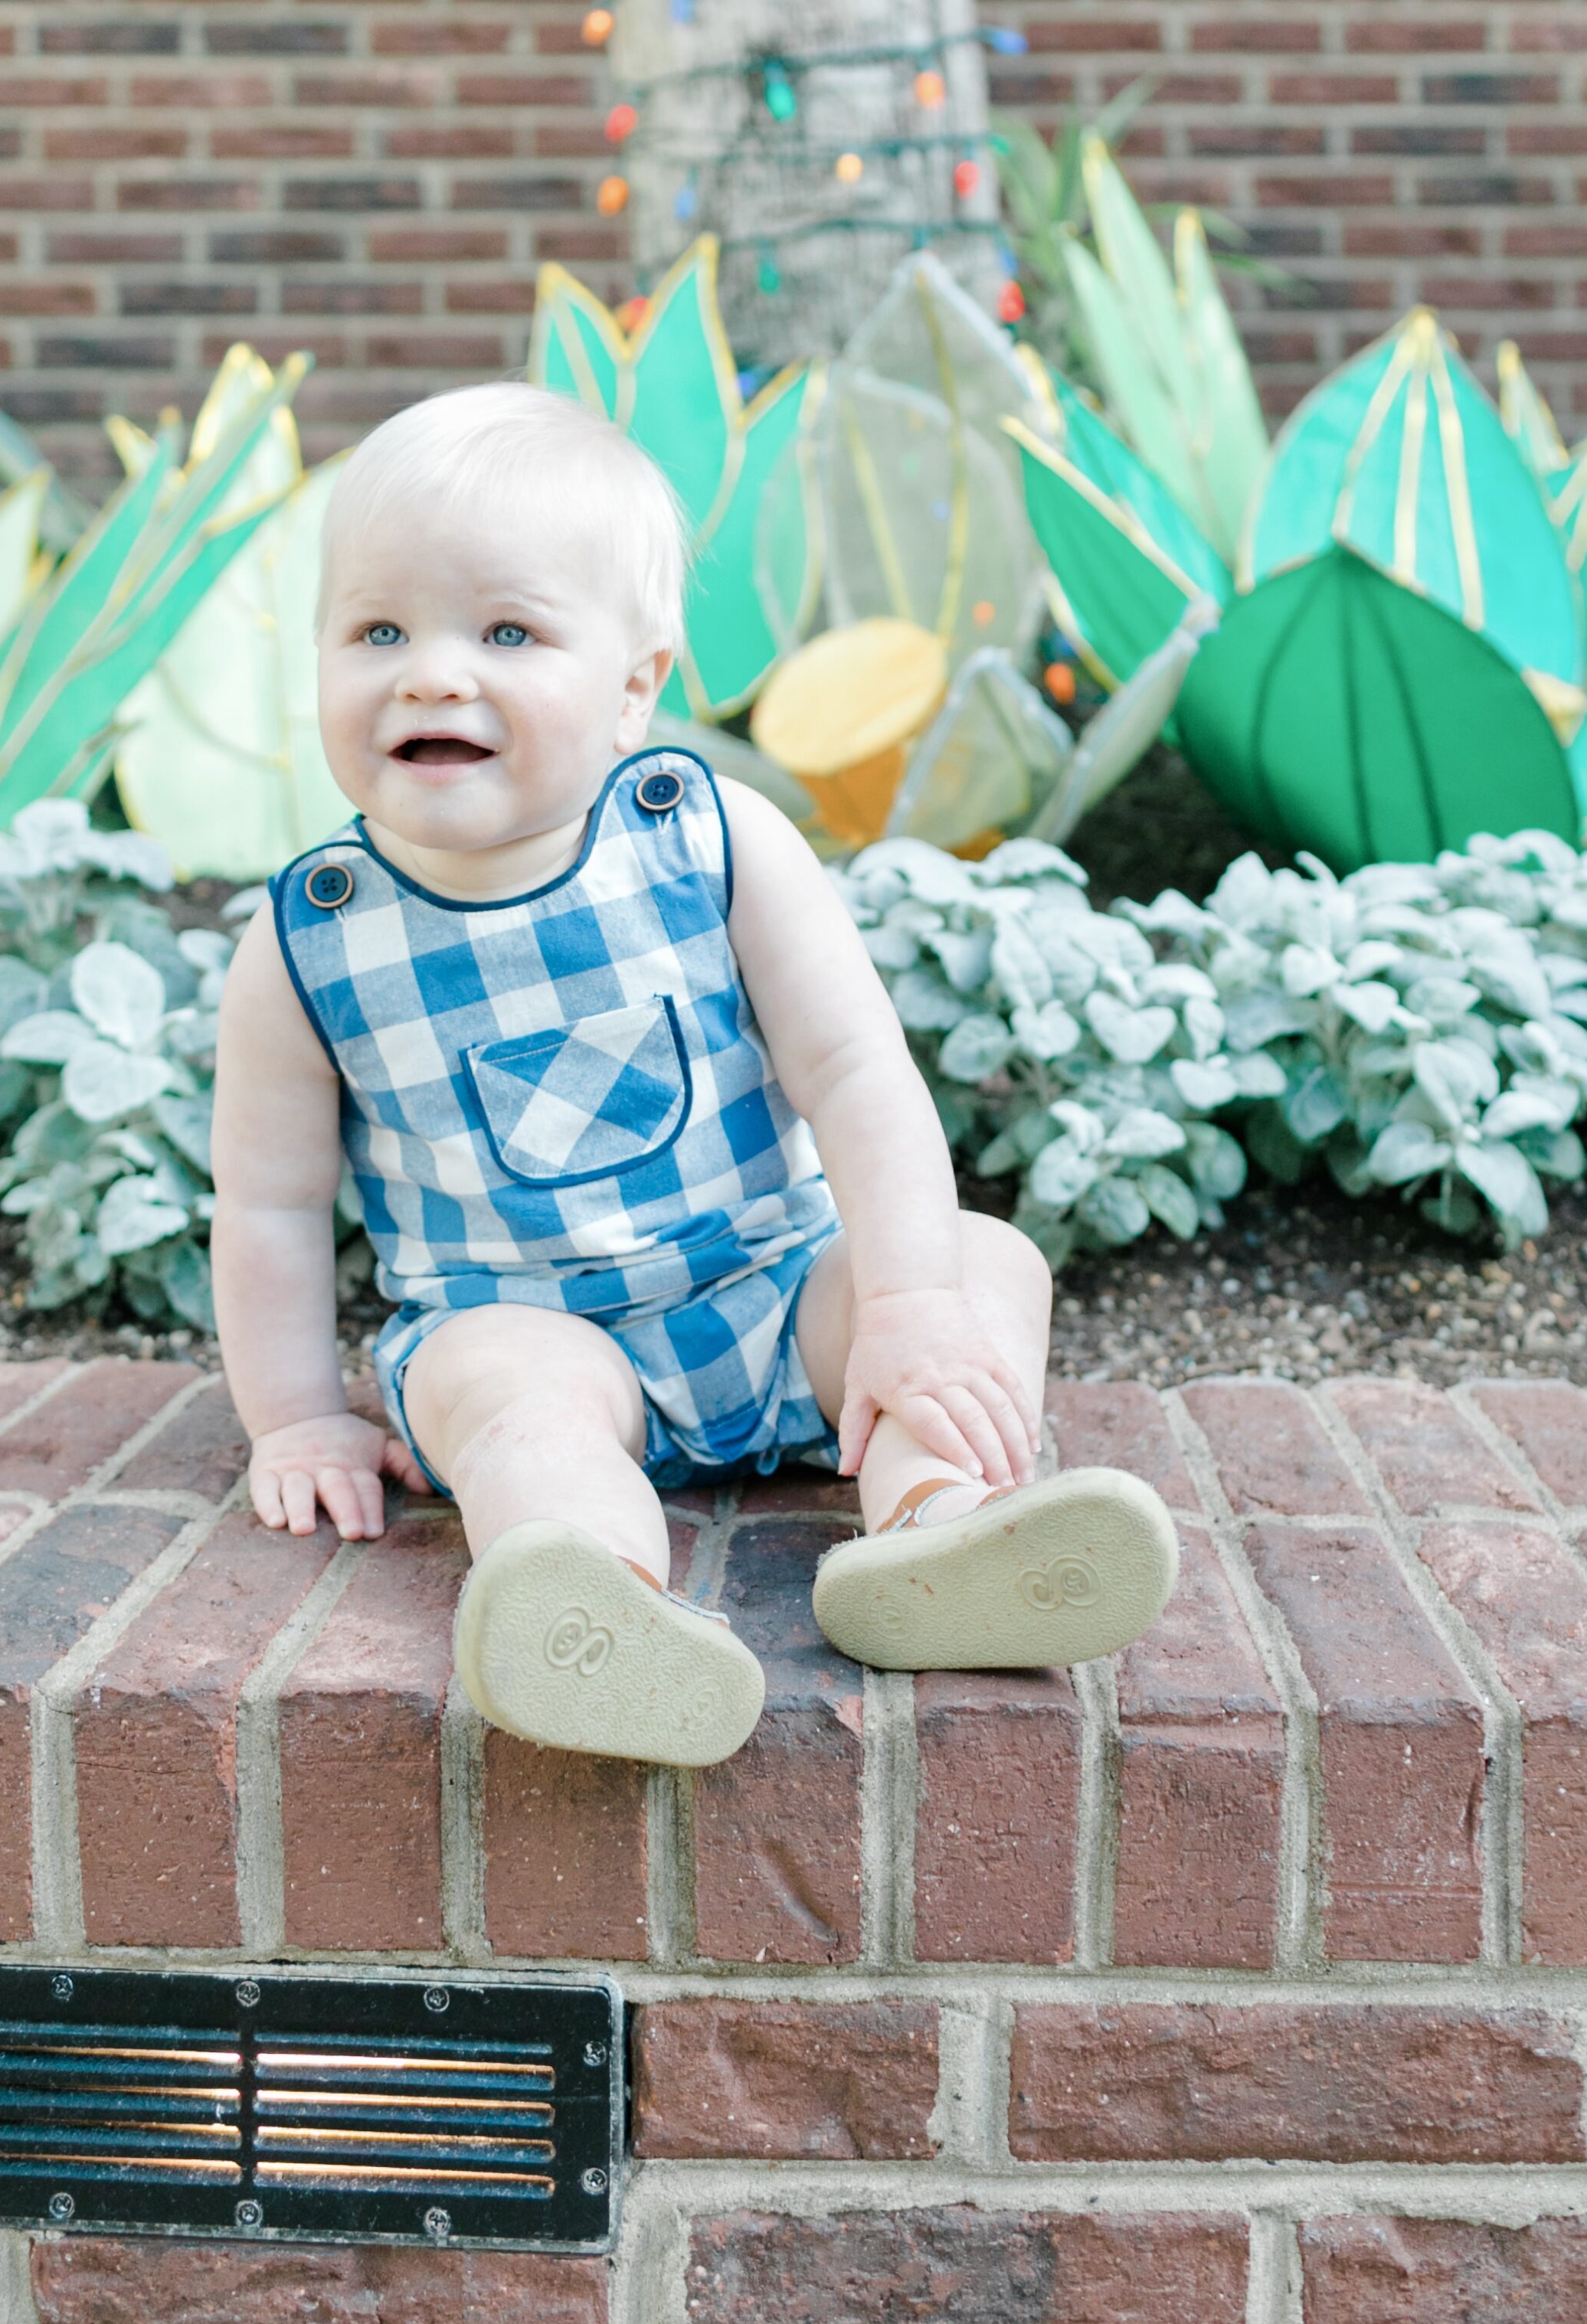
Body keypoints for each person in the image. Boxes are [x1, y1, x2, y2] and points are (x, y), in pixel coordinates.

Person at [209, 380, 1178, 1766]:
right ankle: (593, 1607)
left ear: (632, 688)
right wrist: (296, 1416)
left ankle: (938, 1532)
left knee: (985, 1263)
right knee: (512, 1401)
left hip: (775, 1293)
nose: (430, 673)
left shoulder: (709, 840)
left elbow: (853, 1073)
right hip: (524, 1320)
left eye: (505, 631)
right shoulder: (310, 937)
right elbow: (268, 1203)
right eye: (377, 630)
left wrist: (899, 1304)